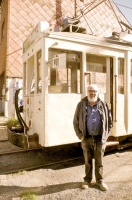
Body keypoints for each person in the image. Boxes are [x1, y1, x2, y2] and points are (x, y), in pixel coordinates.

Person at [73, 84, 112, 191]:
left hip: (100, 138)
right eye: (90, 90)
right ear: (87, 92)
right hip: (86, 138)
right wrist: (80, 135)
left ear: (97, 92)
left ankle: (100, 181)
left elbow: (109, 123)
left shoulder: (104, 105)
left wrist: (105, 136)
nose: (92, 93)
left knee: (99, 161)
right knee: (87, 161)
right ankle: (87, 180)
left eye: (94, 91)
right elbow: (75, 122)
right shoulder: (81, 105)